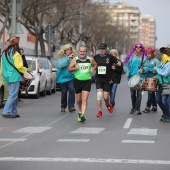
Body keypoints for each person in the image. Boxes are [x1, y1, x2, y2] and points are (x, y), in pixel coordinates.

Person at [1, 36, 33, 118]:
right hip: (14, 76)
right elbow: (19, 66)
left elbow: (3, 66)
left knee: (13, 95)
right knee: (13, 95)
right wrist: (28, 69)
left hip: (7, 76)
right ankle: (6, 111)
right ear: (16, 45)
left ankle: (14, 112)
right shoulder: (16, 54)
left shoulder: (4, 53)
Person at [68, 45, 97, 122]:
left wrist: (93, 69)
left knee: (84, 98)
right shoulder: (75, 60)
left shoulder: (90, 59)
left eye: (84, 51)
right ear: (79, 52)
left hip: (87, 80)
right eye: (81, 51)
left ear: (86, 52)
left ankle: (83, 115)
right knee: (79, 100)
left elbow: (95, 65)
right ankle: (80, 112)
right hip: (77, 81)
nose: (82, 53)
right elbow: (69, 69)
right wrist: (75, 68)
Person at [93, 43, 121, 117]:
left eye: (103, 49)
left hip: (106, 79)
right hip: (98, 78)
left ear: (106, 49)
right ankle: (100, 111)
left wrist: (117, 64)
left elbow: (118, 61)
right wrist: (92, 69)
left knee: (105, 97)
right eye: (101, 49)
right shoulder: (96, 57)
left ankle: (108, 104)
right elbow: (91, 63)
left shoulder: (110, 57)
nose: (102, 50)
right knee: (99, 95)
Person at [123, 42, 149, 115]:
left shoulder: (144, 57)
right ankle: (133, 107)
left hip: (140, 78)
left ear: (141, 48)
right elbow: (125, 65)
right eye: (137, 47)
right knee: (132, 94)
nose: (138, 48)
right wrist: (127, 71)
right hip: (131, 78)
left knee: (139, 93)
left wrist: (143, 69)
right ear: (135, 48)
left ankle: (137, 109)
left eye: (139, 47)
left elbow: (147, 66)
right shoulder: (131, 56)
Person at [56, 44, 77, 113]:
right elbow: (60, 65)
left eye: (70, 50)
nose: (69, 51)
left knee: (71, 90)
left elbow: (76, 66)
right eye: (68, 50)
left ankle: (71, 106)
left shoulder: (73, 58)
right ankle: (63, 106)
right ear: (64, 51)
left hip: (71, 77)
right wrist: (67, 59)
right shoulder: (61, 58)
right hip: (62, 78)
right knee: (64, 92)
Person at [154, 47, 170, 122]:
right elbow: (160, 72)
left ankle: (167, 115)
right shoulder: (163, 62)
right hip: (161, 84)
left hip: (167, 84)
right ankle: (165, 114)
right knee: (159, 100)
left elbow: (165, 73)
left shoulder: (169, 62)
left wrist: (157, 69)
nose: (162, 55)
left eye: (163, 54)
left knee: (164, 101)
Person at [142, 47, 161, 113]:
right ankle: (154, 106)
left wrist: (151, 70)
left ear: (152, 54)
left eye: (149, 54)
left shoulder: (156, 61)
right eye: (147, 54)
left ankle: (147, 107)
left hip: (153, 79)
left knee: (150, 94)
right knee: (151, 94)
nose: (148, 55)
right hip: (147, 78)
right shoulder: (146, 60)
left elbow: (159, 70)